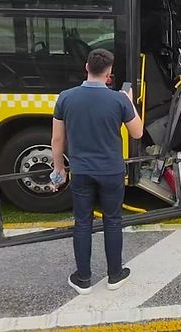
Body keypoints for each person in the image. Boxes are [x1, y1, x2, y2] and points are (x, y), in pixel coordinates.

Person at [51, 49, 144, 295]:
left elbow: (57, 139)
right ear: (109, 73)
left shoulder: (65, 98)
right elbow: (138, 133)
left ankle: (83, 279)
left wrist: (59, 169)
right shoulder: (119, 99)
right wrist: (130, 100)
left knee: (82, 222)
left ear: (86, 67)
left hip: (81, 172)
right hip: (111, 172)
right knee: (112, 220)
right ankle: (115, 275)